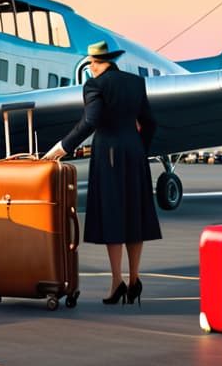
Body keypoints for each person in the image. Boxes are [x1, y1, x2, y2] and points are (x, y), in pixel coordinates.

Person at [44, 41, 160, 306]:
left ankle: (116, 280)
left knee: (114, 217)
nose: (90, 68)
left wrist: (62, 147)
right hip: (135, 153)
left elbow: (91, 121)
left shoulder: (95, 85)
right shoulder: (135, 82)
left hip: (109, 155)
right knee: (134, 216)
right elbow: (150, 122)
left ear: (98, 63)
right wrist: (140, 148)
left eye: (92, 64)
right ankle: (134, 280)